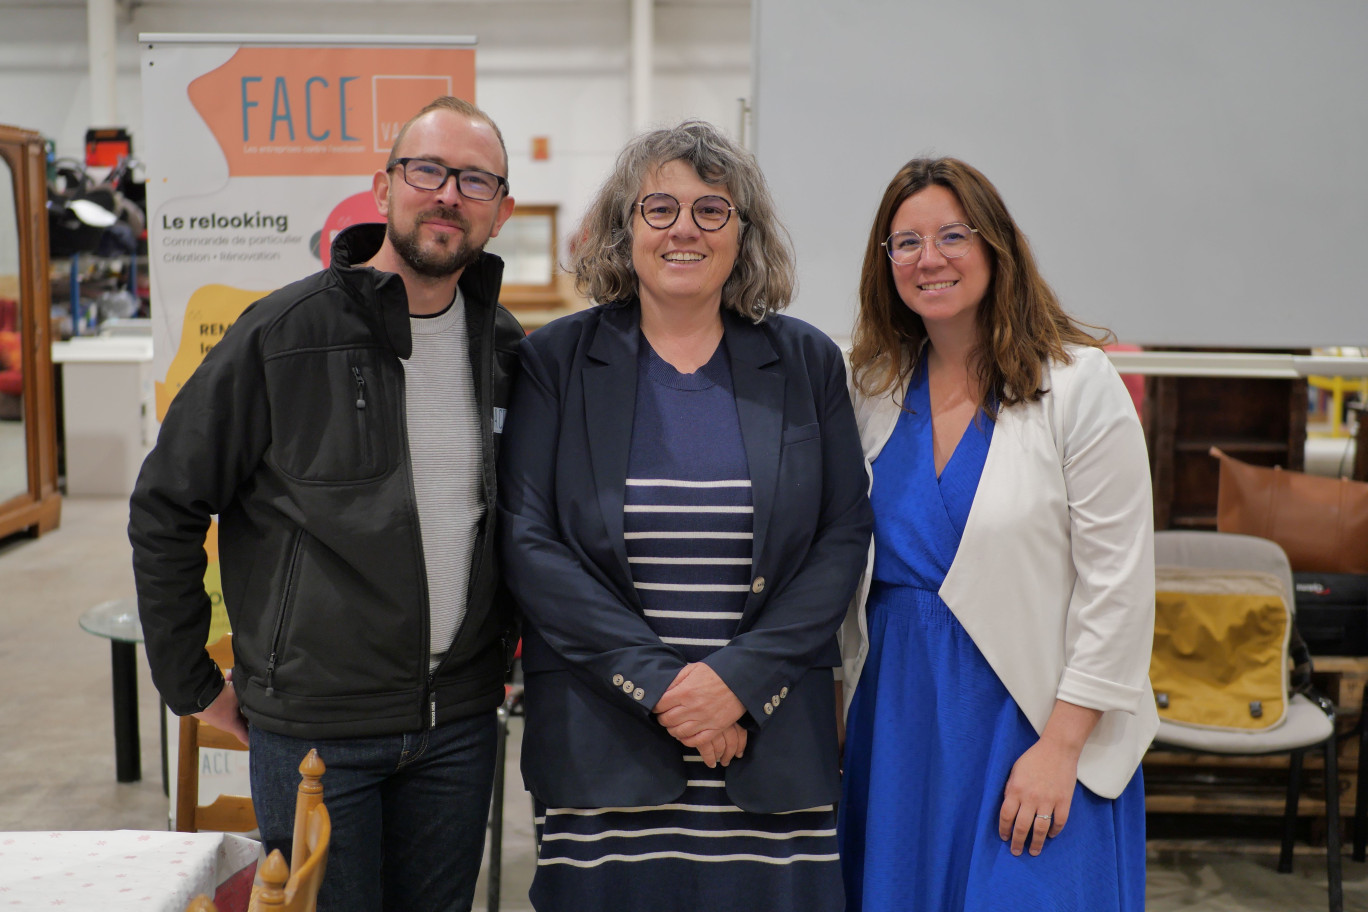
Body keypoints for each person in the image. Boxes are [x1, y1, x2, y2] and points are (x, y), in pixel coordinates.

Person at [128, 96, 522, 912]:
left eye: (474, 180)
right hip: (318, 732)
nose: (448, 193)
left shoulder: (509, 350)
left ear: (501, 209)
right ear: (384, 190)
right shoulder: (282, 335)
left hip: (459, 728)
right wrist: (192, 683)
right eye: (427, 170)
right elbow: (166, 502)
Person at [497, 120, 872, 912]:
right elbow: (529, 543)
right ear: (623, 229)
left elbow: (842, 538)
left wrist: (736, 683)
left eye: (712, 210)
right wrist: (669, 690)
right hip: (608, 740)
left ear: (746, 234)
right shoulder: (554, 363)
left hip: (770, 740)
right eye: (659, 208)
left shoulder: (806, 363)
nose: (684, 231)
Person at [837, 158, 1158, 912]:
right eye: (905, 243)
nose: (929, 258)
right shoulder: (872, 387)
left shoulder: (1078, 385)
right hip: (898, 717)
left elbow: (1120, 588)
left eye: (953, 234)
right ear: (885, 266)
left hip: (1035, 718)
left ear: (997, 247)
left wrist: (1061, 749)